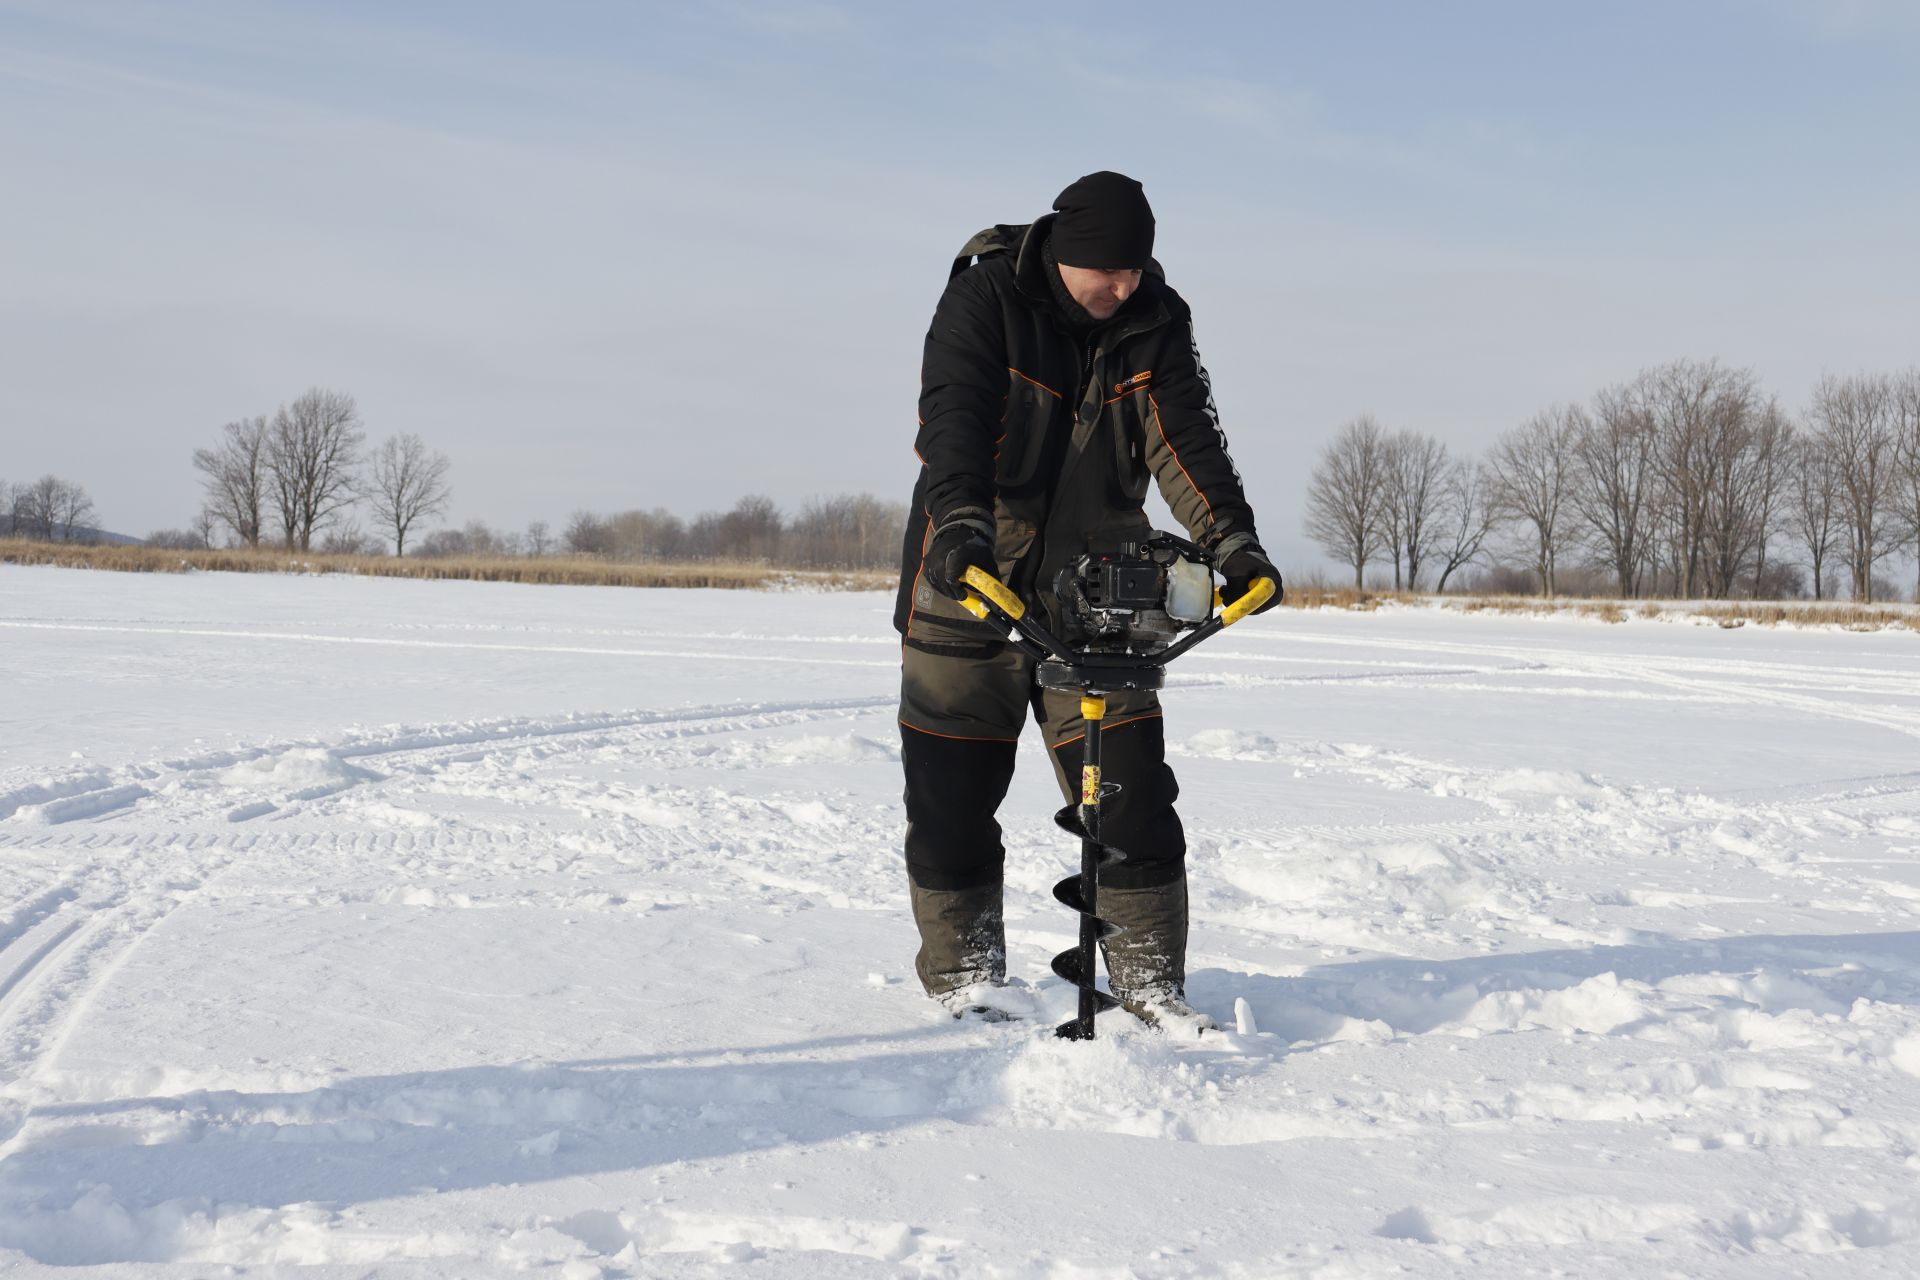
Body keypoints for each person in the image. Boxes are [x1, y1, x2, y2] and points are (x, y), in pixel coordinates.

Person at [893, 171, 1280, 1028]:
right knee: (951, 803)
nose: (1126, 285)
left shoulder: (1156, 320)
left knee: (1132, 799)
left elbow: (1185, 440)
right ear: (1067, 256)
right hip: (971, 584)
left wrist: (1232, 540)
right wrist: (961, 524)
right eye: (1110, 271)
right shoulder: (985, 298)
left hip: (1098, 596)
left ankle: (1150, 988)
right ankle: (967, 984)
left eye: (1138, 269)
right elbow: (953, 420)